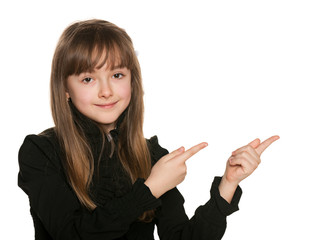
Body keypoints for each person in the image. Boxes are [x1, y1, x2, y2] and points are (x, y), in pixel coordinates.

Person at [18, 19, 279, 240]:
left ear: (132, 79)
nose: (106, 90)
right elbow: (71, 234)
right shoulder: (42, 151)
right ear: (65, 88)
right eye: (88, 79)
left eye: (117, 75)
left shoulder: (151, 154)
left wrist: (228, 184)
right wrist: (150, 189)